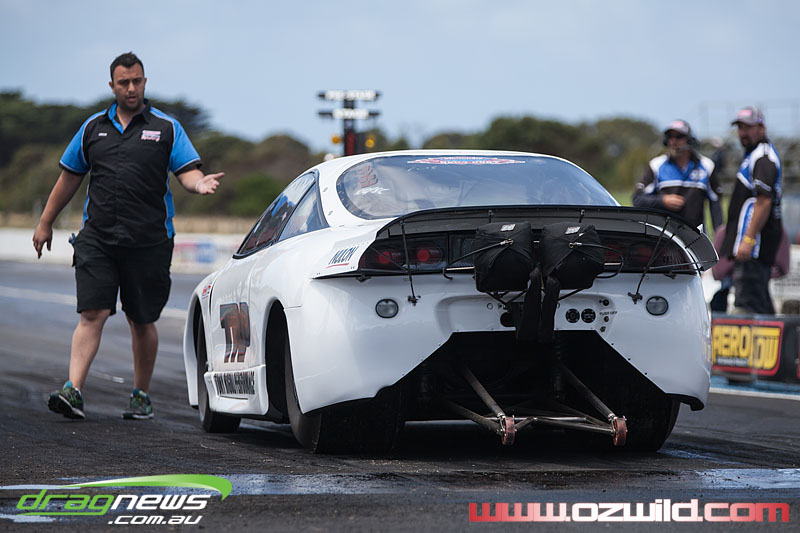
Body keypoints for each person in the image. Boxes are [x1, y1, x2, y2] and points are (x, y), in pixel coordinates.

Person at [32, 52, 224, 420]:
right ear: (112, 86)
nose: (132, 88)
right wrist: (45, 222)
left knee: (142, 319)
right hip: (98, 238)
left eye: (137, 81)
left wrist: (199, 184)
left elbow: (187, 171)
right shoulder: (92, 128)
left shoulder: (167, 127)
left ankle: (141, 395)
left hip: (149, 241)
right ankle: (73, 390)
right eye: (124, 82)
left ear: (145, 81)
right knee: (92, 313)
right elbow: (69, 178)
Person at [718, 106, 782, 314]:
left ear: (761, 128)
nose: (743, 133)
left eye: (748, 127)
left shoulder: (763, 156)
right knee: (760, 303)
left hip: (754, 247)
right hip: (753, 247)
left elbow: (764, 201)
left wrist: (748, 239)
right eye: (740, 128)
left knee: (748, 306)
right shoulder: (753, 154)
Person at [633, 119, 723, 231]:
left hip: (695, 238)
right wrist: (662, 201)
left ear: (690, 141)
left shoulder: (706, 166)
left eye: (679, 137)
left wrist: (719, 237)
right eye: (670, 137)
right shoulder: (656, 165)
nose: (673, 141)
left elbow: (716, 205)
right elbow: (637, 199)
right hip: (663, 237)